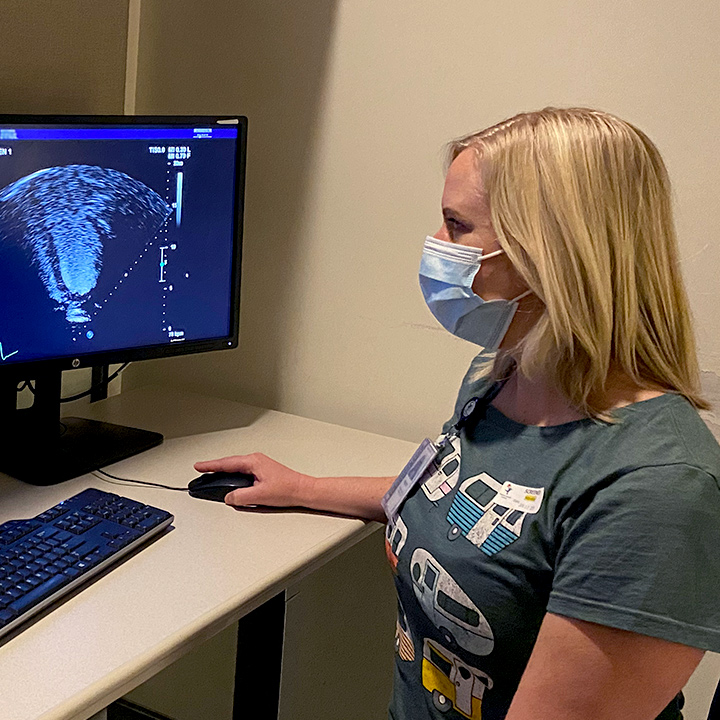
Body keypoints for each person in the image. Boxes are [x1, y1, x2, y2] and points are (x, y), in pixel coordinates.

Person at [197, 108, 720, 720]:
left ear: (551, 253)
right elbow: (469, 500)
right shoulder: (502, 377)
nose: (435, 248)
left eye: (457, 225)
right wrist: (305, 488)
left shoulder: (655, 492)